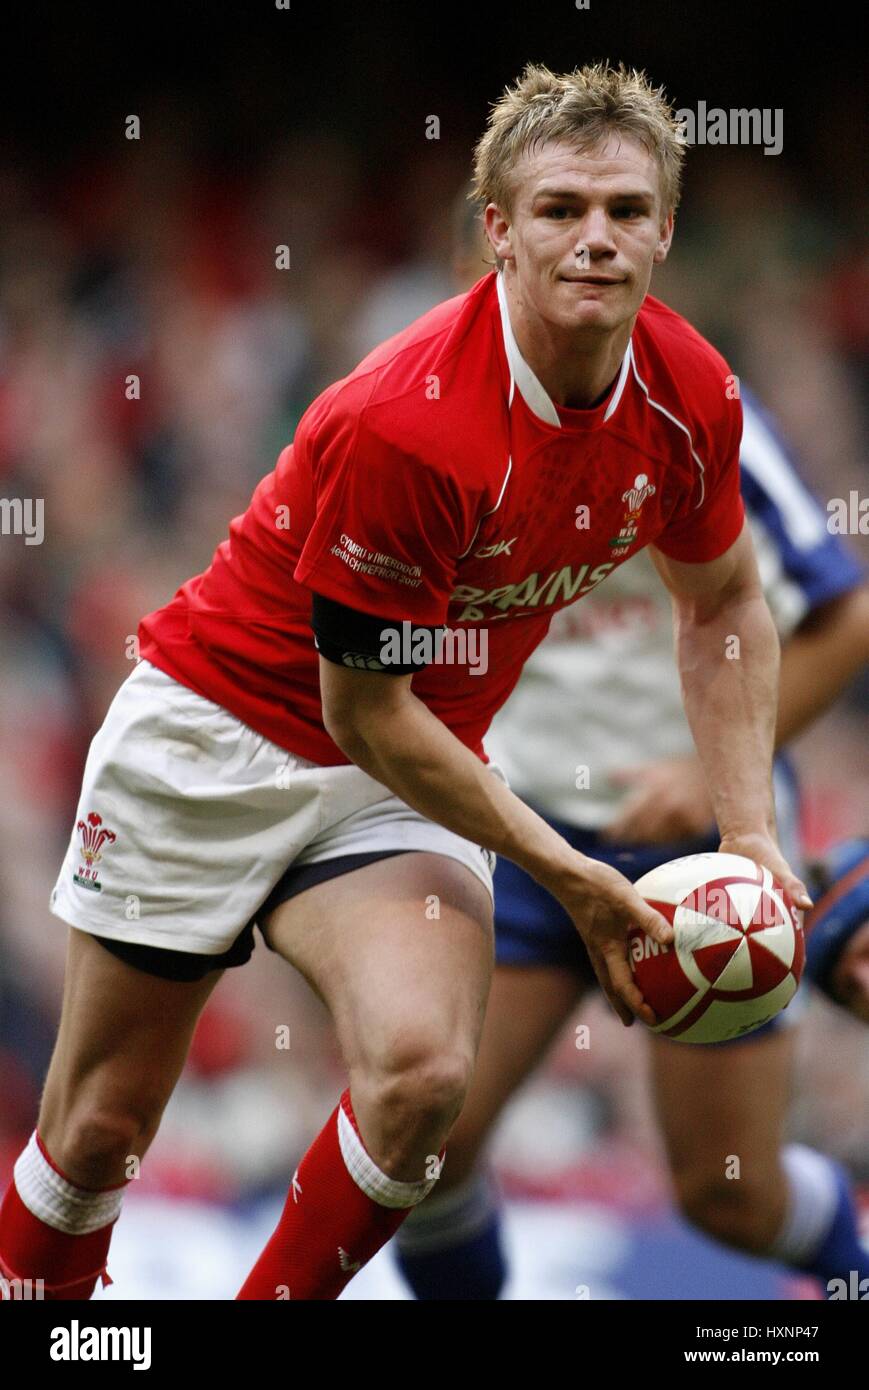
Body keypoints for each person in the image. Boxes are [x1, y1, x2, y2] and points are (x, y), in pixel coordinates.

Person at [0, 60, 811, 1302]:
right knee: (98, 1132)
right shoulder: (414, 422)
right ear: (496, 229)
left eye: (625, 210)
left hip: (397, 785)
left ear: (663, 228)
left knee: (424, 1079)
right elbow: (361, 708)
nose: (594, 239)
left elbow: (723, 603)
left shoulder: (691, 393)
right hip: (215, 738)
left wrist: (748, 830)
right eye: (557, 210)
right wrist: (578, 878)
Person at [392, 213, 869, 1299]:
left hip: (703, 851)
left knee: (727, 1195)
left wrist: (709, 779)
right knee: (420, 1155)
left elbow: (842, 618)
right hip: (515, 837)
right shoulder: (420, 429)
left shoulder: (697, 412)